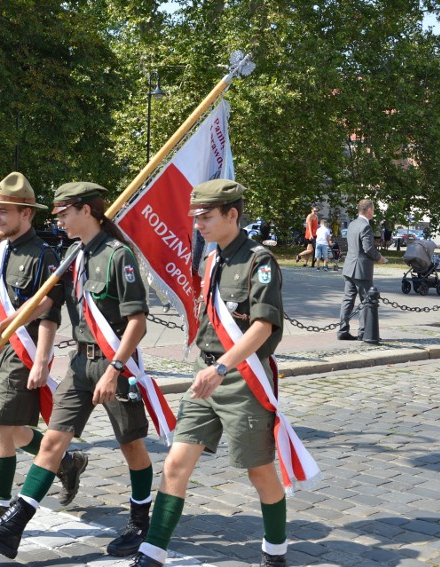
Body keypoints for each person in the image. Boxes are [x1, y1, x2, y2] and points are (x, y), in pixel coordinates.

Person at [0, 181, 167, 560]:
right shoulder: (73, 253)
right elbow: (47, 304)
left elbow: (138, 321)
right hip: (80, 363)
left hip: (115, 362)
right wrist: (5, 328)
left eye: (64, 213)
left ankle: (140, 521)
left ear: (86, 211)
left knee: (131, 444)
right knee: (53, 441)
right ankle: (12, 528)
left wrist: (114, 368)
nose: (59, 221)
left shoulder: (118, 256)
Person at [130, 179, 317, 567]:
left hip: (242, 379)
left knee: (259, 471)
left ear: (232, 214)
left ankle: (275, 552)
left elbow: (262, 326)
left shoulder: (259, 261)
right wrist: (207, 364)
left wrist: (221, 367)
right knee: (175, 464)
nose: (199, 224)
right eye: (196, 217)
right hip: (207, 373)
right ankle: (153, 551)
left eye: (207, 217)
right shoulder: (211, 259)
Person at [0, 172, 87, 545]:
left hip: (23, 352)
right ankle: (65, 462)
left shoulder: (44, 255)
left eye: (2, 211)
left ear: (26, 214)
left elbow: (49, 310)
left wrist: (43, 359)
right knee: (13, 431)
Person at [337, 199, 386, 341]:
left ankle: (342, 330)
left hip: (349, 267)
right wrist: (379, 258)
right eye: (374, 209)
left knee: (347, 300)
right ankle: (364, 332)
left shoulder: (352, 224)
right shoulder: (365, 226)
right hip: (361, 269)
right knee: (366, 301)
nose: (374, 212)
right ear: (369, 209)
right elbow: (368, 248)